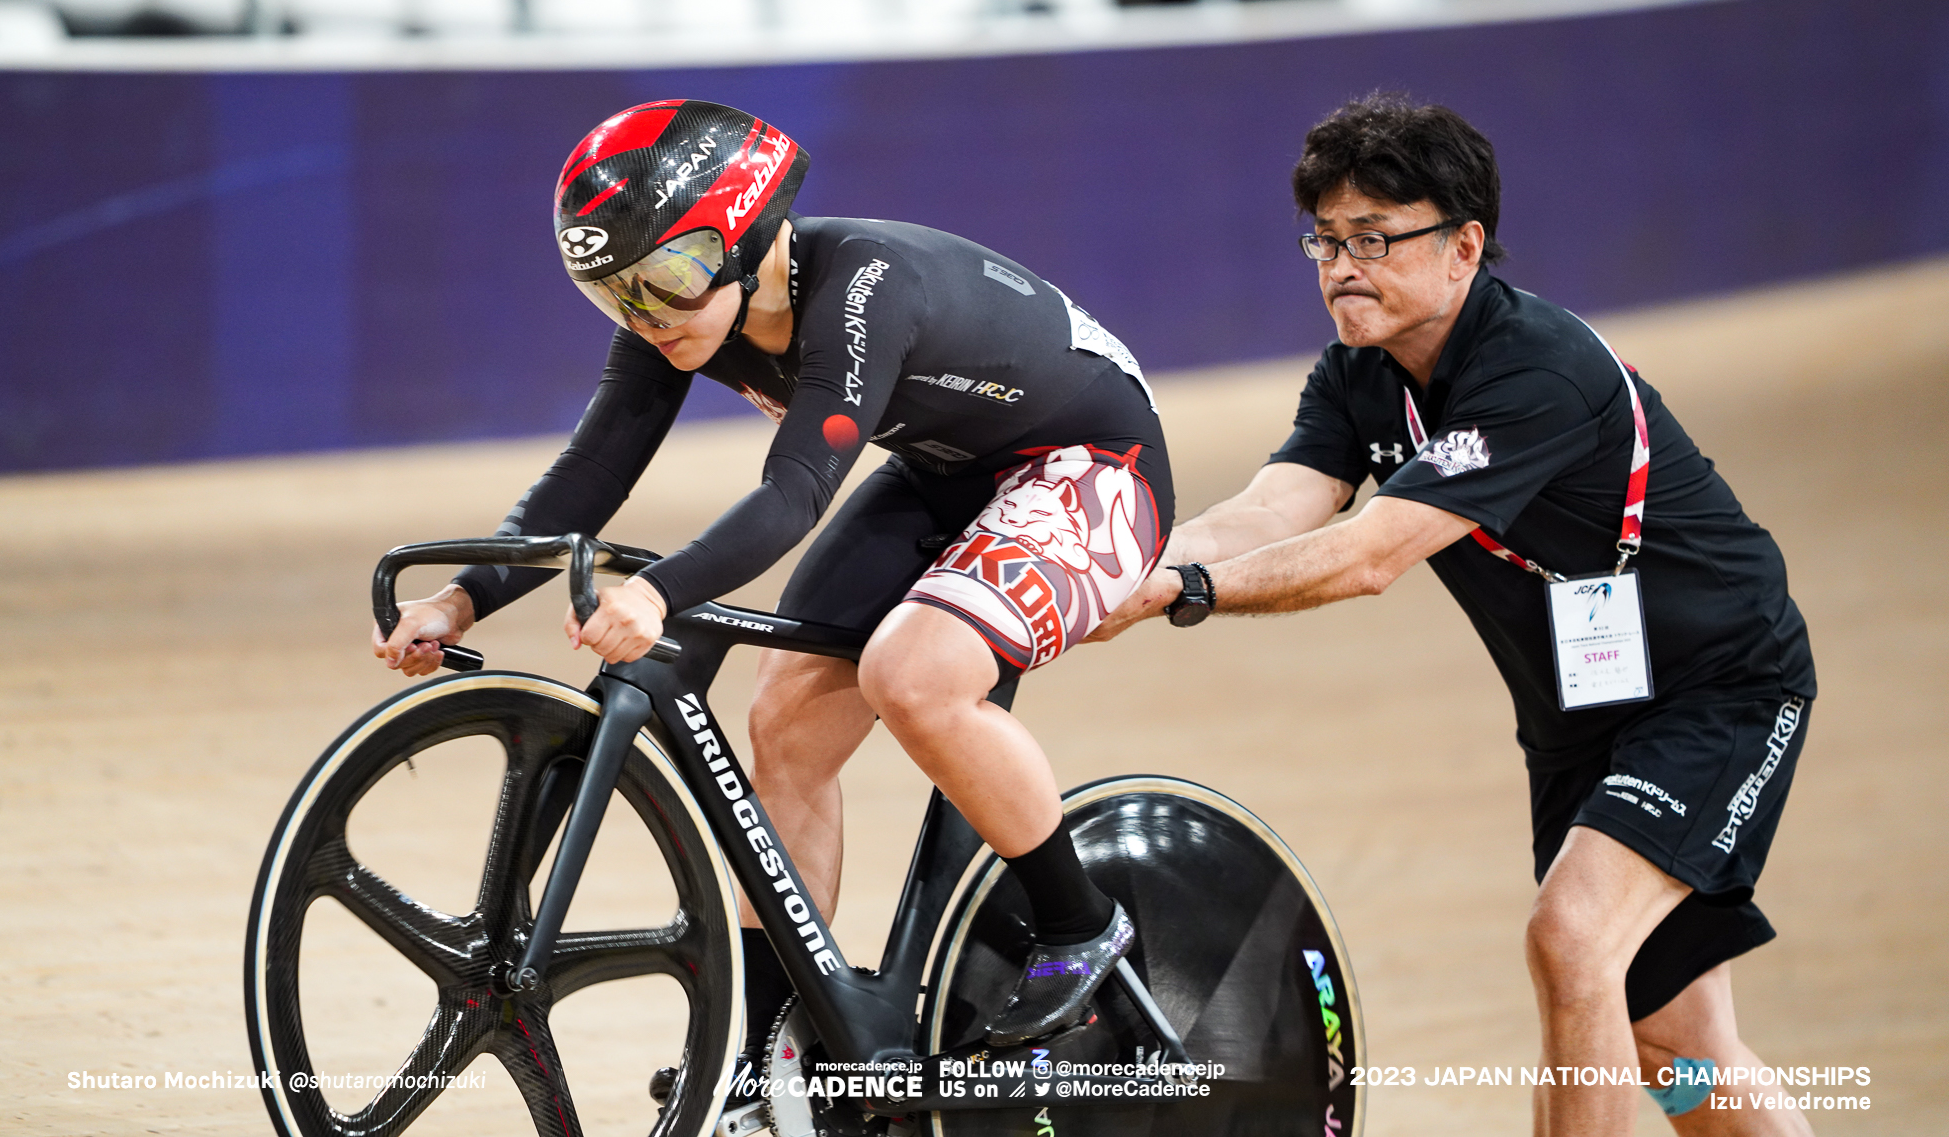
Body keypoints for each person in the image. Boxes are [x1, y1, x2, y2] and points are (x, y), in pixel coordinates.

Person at [373, 100, 1169, 1062]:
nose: (645, 313)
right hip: (948, 469)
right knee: (785, 725)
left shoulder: (865, 286)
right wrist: (462, 597)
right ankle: (777, 1053)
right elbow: (590, 474)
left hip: (1094, 464)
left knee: (913, 674)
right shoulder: (679, 316)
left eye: (665, 277)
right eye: (615, 293)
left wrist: (659, 593)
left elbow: (795, 492)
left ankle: (1080, 922)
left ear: (744, 237)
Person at [1090, 94, 1817, 1135]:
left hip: (1718, 686)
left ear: (1463, 245)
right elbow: (1270, 509)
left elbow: (1369, 553)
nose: (1343, 265)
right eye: (1326, 240)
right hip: (1579, 713)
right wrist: (1135, 568)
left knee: (1571, 938)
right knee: (1675, 1047)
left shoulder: (1537, 370)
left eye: (1376, 238)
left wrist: (1186, 592)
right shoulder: (1359, 374)